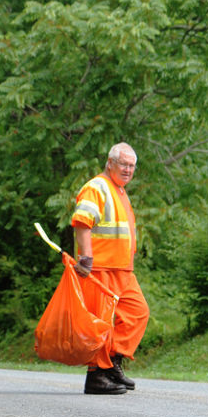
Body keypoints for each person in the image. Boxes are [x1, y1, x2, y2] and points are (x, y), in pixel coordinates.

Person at [71, 142, 149, 395]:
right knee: (101, 322)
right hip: (101, 267)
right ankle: (96, 376)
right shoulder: (98, 187)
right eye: (124, 164)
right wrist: (86, 258)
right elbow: (82, 222)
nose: (128, 170)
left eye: (132, 166)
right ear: (110, 163)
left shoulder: (119, 190)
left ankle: (112, 363)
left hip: (122, 270)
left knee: (137, 313)